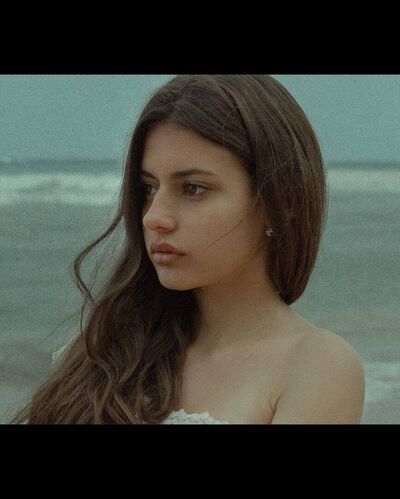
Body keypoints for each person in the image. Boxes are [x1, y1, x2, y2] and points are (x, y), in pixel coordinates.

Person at [10, 75, 365, 424]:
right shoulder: (105, 353)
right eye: (148, 188)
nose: (154, 217)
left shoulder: (315, 364)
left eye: (193, 188)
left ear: (280, 203)